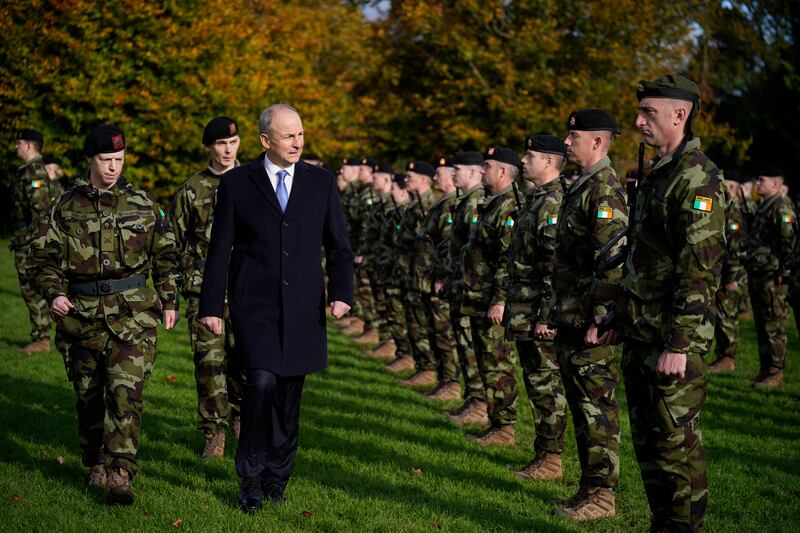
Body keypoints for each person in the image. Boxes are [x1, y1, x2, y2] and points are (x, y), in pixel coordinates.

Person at [198, 103, 354, 513]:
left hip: (304, 309)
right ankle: (249, 477)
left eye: (300, 134)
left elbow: (338, 244)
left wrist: (342, 292)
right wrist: (212, 306)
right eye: (288, 136)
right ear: (266, 140)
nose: (297, 142)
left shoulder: (321, 182)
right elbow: (219, 251)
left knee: (288, 396)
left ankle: (276, 478)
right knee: (261, 384)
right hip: (255, 306)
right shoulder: (237, 184)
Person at [29, 125, 180, 505]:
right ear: (90, 160)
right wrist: (54, 293)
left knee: (125, 392)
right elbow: (41, 259)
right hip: (81, 318)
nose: (113, 167)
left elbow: (166, 255)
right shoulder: (64, 207)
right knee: (89, 396)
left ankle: (120, 472)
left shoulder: (144, 205)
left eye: (118, 159)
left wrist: (170, 298)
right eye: (106, 160)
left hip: (133, 317)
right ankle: (96, 460)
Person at [615, 74, 726, 531]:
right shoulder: (657, 172)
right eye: (640, 111)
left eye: (649, 113)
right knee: (650, 449)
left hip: (671, 340)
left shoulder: (697, 176)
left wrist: (679, 345)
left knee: (676, 451)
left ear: (680, 116)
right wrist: (617, 312)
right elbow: (643, 259)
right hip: (642, 331)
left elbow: (699, 269)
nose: (639, 121)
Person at [550, 109, 628, 520]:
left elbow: (612, 260)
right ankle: (588, 488)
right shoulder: (581, 185)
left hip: (590, 323)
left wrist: (602, 317)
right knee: (581, 407)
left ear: (596, 142)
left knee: (597, 408)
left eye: (573, 135)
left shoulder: (605, 189)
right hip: (571, 317)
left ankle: (603, 496)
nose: (566, 142)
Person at [169, 116, 244, 459]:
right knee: (209, 364)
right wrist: (177, 286)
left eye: (232, 143)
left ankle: (244, 422)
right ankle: (214, 433)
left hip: (246, 290)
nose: (227, 150)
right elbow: (173, 243)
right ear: (209, 148)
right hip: (203, 293)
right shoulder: (192, 189)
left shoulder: (255, 182)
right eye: (220, 144)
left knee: (247, 361)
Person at [506, 135, 567, 481]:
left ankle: (552, 458)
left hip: (538, 314)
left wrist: (547, 315)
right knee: (536, 381)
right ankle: (543, 453)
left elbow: (553, 266)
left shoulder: (552, 203)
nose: (524, 160)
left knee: (546, 385)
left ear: (548, 162)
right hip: (524, 310)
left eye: (530, 155)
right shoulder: (535, 199)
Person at [456, 146, 520, 446]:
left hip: (492, 299)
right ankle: (494, 421)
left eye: (488, 166)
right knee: (486, 359)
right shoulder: (492, 203)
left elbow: (508, 258)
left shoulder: (509, 205)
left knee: (498, 361)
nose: (483, 171)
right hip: (478, 294)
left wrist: (500, 299)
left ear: (503, 172)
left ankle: (505, 427)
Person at [11, 128, 64, 354]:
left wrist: (35, 243)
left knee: (33, 288)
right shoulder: (29, 170)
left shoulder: (34, 173)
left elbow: (41, 210)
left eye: (19, 143)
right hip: (25, 239)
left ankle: (42, 337)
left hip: (31, 242)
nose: (16, 147)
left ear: (29, 145)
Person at [445, 151, 487, 424]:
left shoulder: (475, 202)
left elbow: (477, 252)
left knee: (473, 345)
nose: (452, 174)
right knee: (464, 341)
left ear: (472, 173)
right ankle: (473, 399)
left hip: (473, 288)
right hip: (462, 285)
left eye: (457, 169)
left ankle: (480, 403)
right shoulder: (465, 201)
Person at [745, 166, 796, 388]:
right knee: (762, 323)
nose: (758, 183)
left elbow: (790, 245)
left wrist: (783, 275)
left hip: (773, 278)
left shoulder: (781, 207)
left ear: (775, 184)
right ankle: (766, 368)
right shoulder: (765, 206)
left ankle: (776, 371)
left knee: (773, 324)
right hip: (759, 276)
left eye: (762, 180)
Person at [395, 160, 439, 386]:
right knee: (415, 322)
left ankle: (430, 368)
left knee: (426, 324)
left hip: (426, 276)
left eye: (410, 176)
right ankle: (423, 366)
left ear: (424, 179)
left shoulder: (432, 204)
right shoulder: (416, 204)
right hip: (413, 274)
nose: (406, 179)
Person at [707, 172, 747, 372]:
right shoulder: (721, 208)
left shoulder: (734, 213)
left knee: (727, 316)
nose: (726, 189)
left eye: (730, 186)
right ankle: (721, 355)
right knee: (719, 316)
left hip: (729, 274)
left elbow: (736, 249)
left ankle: (728, 357)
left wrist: (732, 278)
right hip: (717, 271)